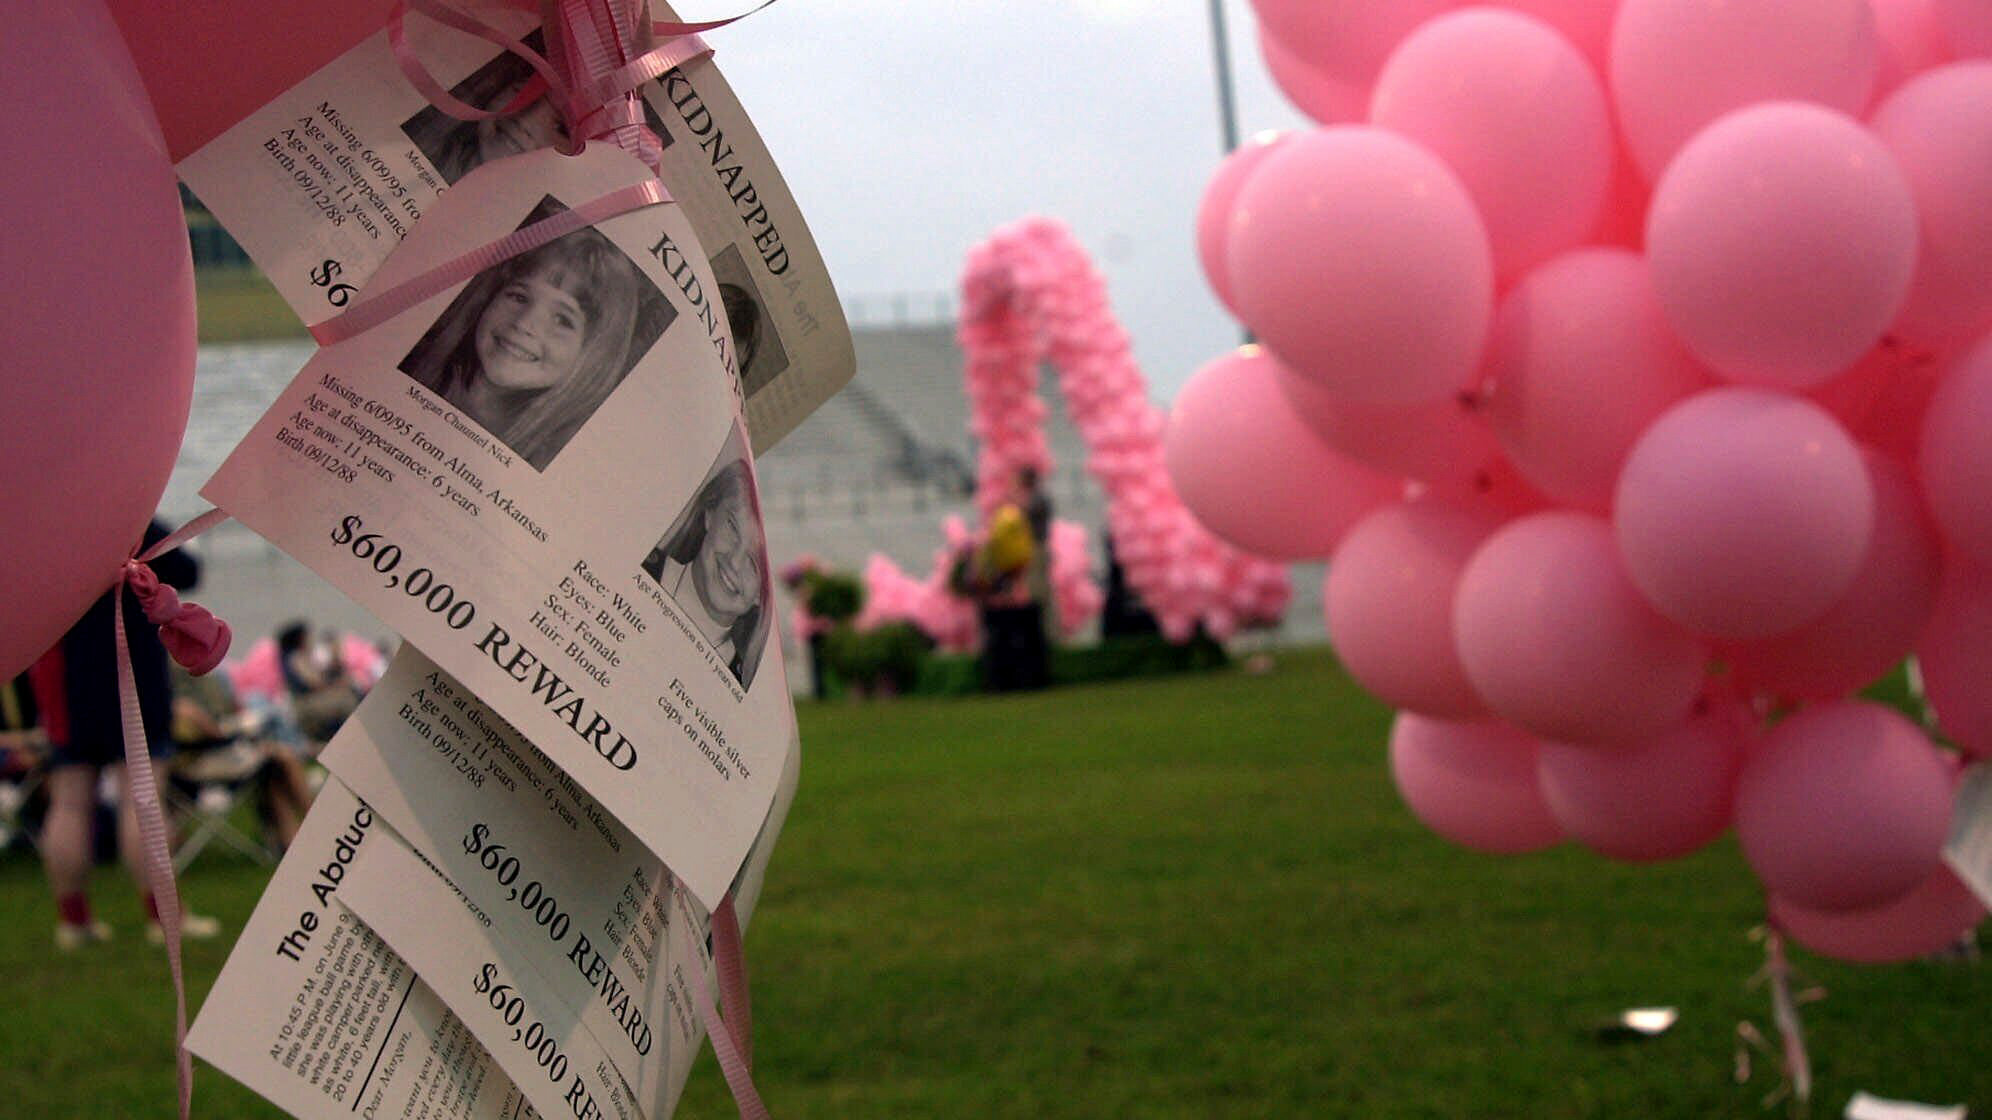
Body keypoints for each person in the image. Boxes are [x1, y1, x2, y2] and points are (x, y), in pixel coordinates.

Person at [29, 520, 220, 950]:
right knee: (143, 799)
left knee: (70, 799)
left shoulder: (43, 520)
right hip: (131, 667)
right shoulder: (128, 513)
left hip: (65, 674)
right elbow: (187, 571)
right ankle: (163, 920)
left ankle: (73, 921)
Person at [400, 223, 657, 470]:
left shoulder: (550, 457)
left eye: (562, 320)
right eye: (519, 297)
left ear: (595, 354)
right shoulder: (414, 365)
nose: (524, 324)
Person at [641, 457, 772, 689]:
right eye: (733, 527)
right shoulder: (642, 567)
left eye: (755, 562)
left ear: (761, 596)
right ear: (709, 514)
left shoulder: (737, 683)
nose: (734, 560)